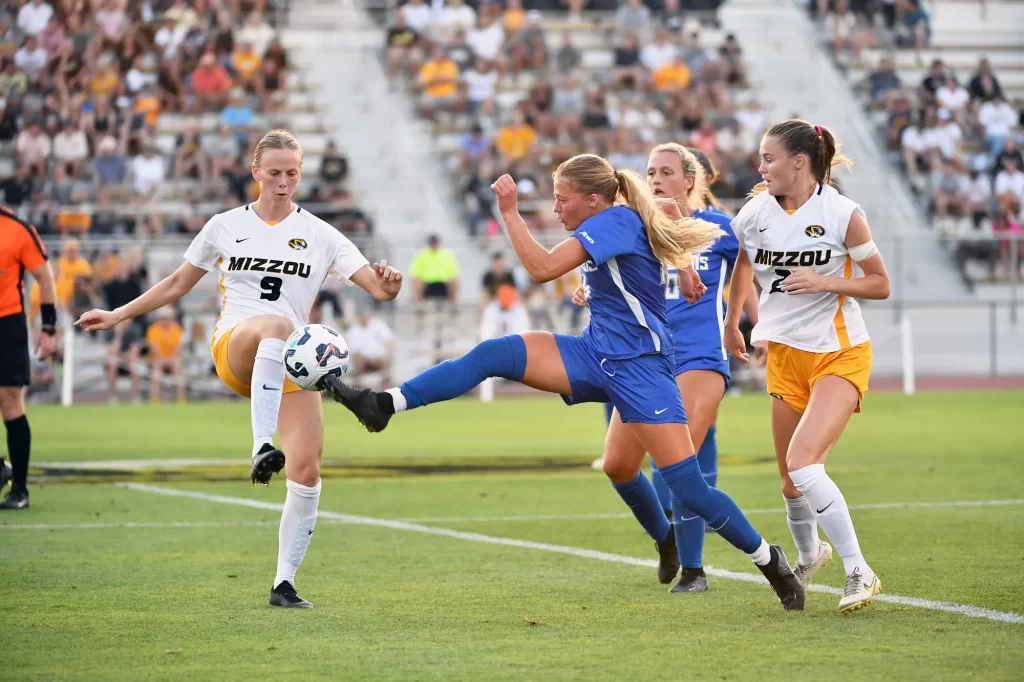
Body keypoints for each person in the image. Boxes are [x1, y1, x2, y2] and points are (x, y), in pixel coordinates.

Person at [324, 153, 805, 610]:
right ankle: (384, 404)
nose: (554, 208)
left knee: (689, 488)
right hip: (595, 353)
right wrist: (678, 266)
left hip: (642, 370)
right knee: (498, 353)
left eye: (561, 198)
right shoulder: (613, 218)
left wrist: (509, 212)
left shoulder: (612, 221)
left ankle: (770, 560)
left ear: (593, 200)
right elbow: (659, 224)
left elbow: (541, 269)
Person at [75, 129, 404, 609]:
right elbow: (176, 283)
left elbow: (378, 289)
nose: (284, 182)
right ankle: (260, 446)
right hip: (236, 348)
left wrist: (391, 284)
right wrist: (120, 314)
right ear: (255, 172)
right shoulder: (225, 225)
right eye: (274, 173)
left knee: (309, 470)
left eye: (292, 173)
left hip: (289, 363)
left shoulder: (322, 235)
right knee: (275, 324)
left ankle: (284, 584)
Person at [724, 120, 891, 613]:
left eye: (768, 158)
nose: (760, 167)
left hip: (840, 353)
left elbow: (880, 284)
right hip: (785, 358)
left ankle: (860, 570)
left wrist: (825, 282)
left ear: (800, 161)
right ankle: (809, 554)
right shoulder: (755, 213)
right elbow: (744, 266)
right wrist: (734, 322)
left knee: (804, 463)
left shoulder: (842, 213)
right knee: (789, 482)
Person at [581, 145, 757, 592]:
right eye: (650, 172)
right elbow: (602, 270)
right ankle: (667, 540)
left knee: (680, 466)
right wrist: (586, 288)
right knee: (618, 464)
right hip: (648, 361)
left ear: (690, 181)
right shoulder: (637, 228)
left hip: (700, 356)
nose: (655, 179)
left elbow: (749, 263)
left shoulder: (717, 227)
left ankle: (695, 570)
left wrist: (751, 321)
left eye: (666, 172)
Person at [0, 205, 57, 510]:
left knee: (10, 404)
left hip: (6, 323)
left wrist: (48, 327)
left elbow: (44, 276)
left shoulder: (16, 228)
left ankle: (19, 489)